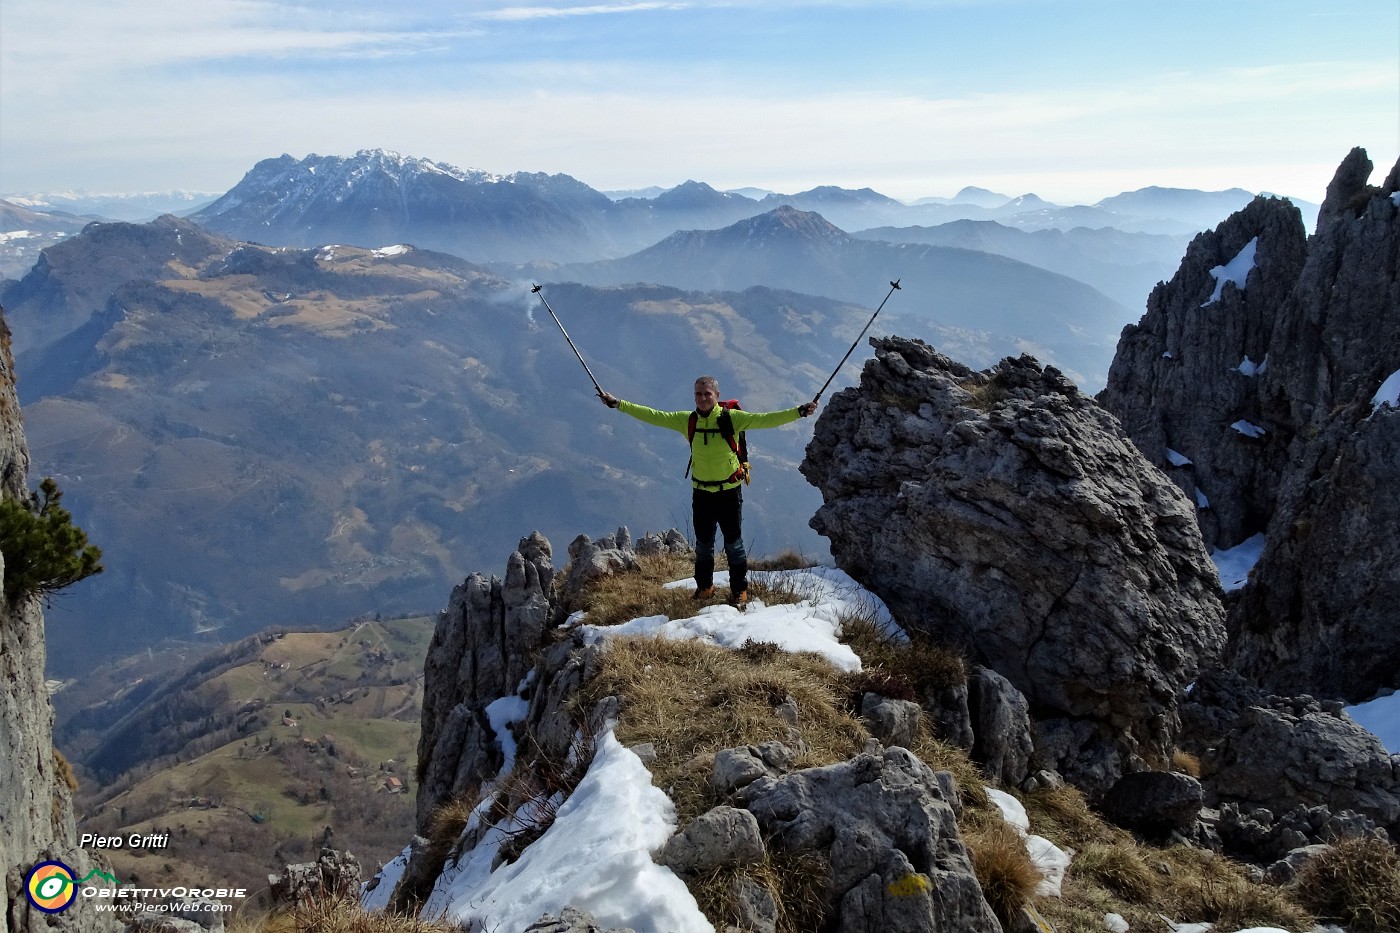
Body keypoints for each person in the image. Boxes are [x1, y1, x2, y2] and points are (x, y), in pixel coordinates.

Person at [598, 377, 818, 608]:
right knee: (703, 544)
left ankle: (739, 591)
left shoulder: (733, 418)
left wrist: (799, 411)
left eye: (707, 394)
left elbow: (767, 419)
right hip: (701, 492)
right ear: (694, 396)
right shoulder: (688, 420)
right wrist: (617, 404)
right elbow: (653, 415)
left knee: (734, 544)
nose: (703, 398)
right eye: (698, 394)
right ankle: (705, 588)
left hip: (729, 493)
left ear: (716, 395)